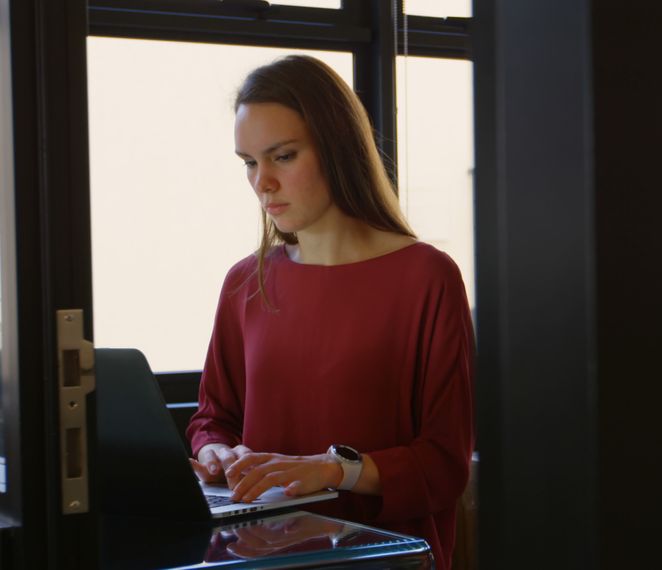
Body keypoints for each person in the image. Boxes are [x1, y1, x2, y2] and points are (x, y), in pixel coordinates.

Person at [186, 55, 475, 570]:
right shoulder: (244, 283)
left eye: (283, 156)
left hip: (382, 559)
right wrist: (215, 453)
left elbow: (444, 464)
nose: (262, 183)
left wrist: (333, 469)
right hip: (257, 559)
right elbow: (214, 419)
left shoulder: (426, 278)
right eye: (250, 162)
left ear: (338, 148)